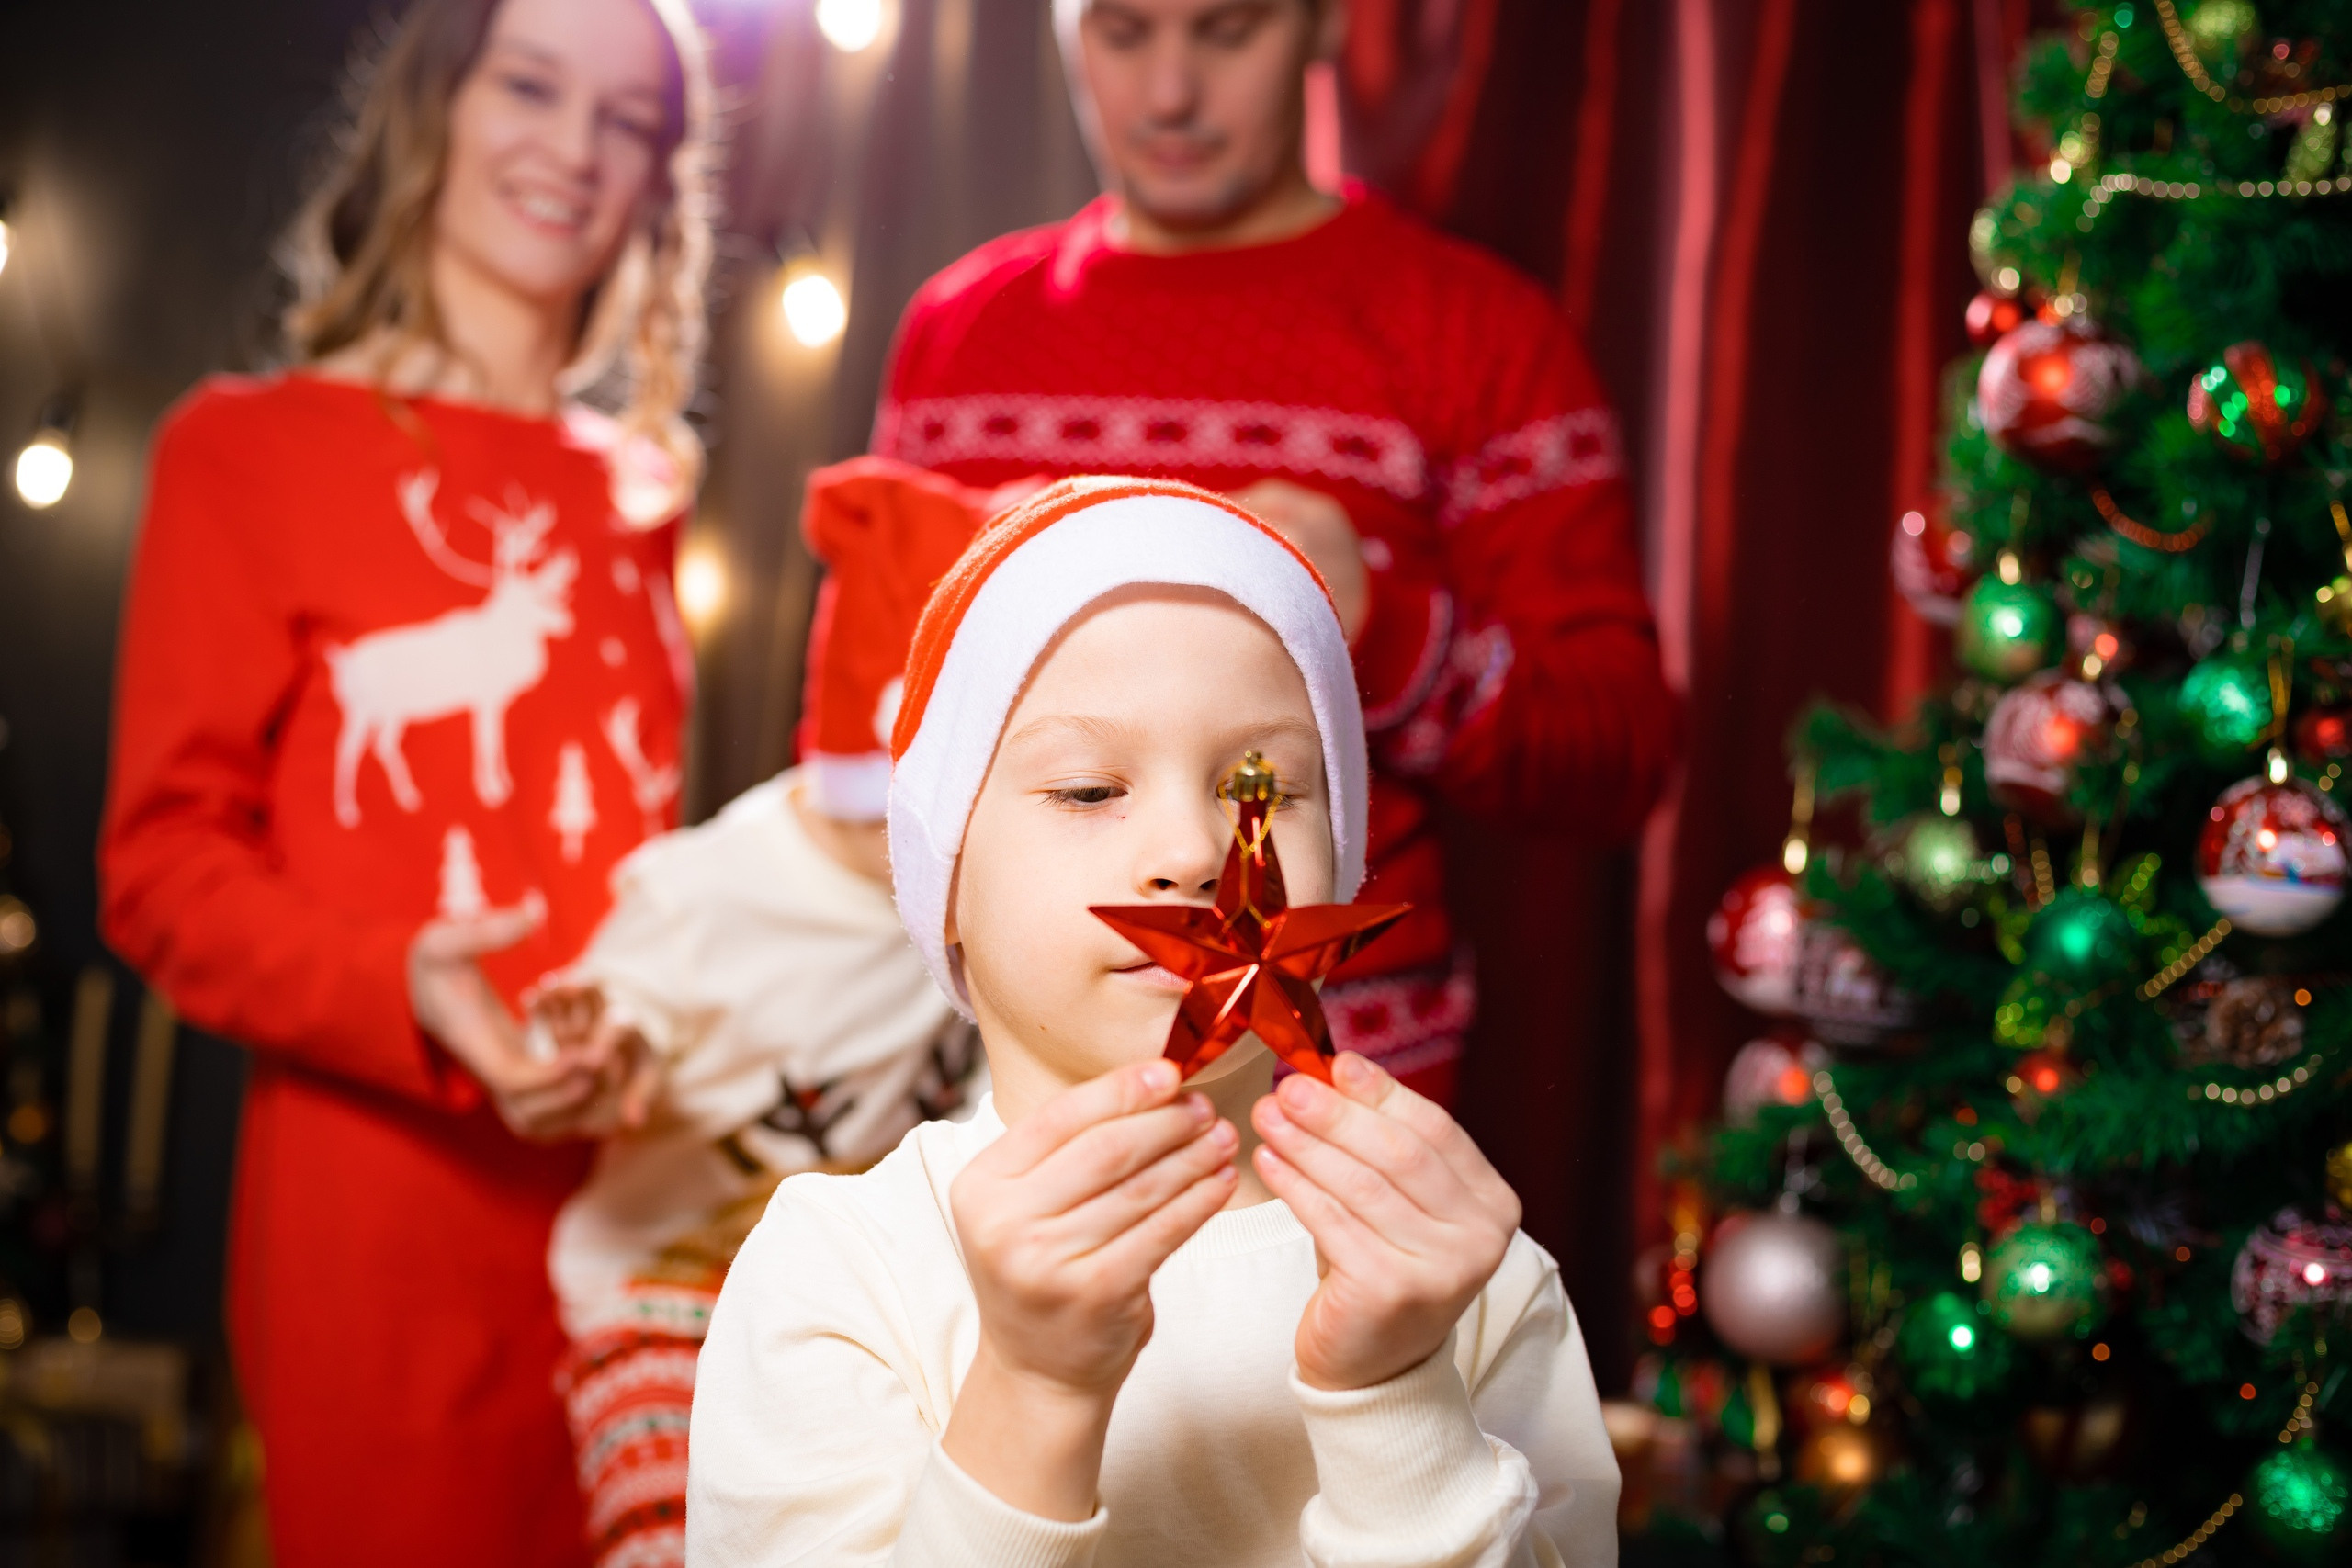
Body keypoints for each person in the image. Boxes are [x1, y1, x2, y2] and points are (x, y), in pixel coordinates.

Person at [687, 478, 1618, 1567]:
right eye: (1087, 791)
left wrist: (1397, 1394)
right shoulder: (843, 1272)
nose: (1194, 850)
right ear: (941, 881)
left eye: (1261, 787)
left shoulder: (1466, 1276)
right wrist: (1031, 1392)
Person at [97, 0, 713, 1562]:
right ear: (435, 105)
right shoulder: (246, 454)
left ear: (662, 174)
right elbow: (162, 866)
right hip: (386, 1230)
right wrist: (403, 986)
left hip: (639, 1210)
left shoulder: (643, 492)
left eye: (627, 118)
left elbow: (633, 837)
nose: (575, 149)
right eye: (532, 85)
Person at [870, 0, 1677, 1108]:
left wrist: (1389, 633)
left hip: (1330, 1102)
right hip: (999, 1092)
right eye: (1122, 32)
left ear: (1324, 24)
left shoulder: (1475, 330)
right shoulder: (960, 331)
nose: (1168, 93)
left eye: (1225, 30)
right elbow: (875, 740)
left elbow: (1620, 754)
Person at [537, 460, 1015, 1568]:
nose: (922, 868)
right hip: (667, 1292)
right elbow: (630, 999)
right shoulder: (712, 887)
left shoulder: (979, 903)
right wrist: (601, 1042)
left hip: (860, 1306)